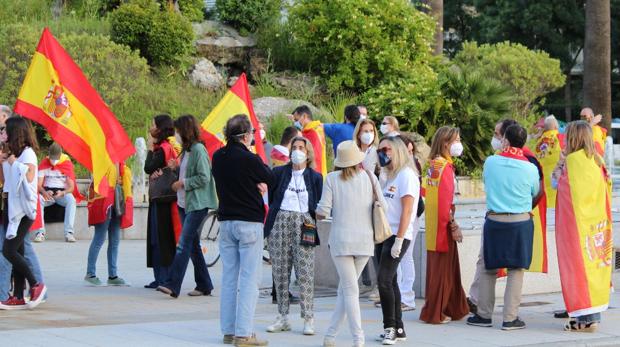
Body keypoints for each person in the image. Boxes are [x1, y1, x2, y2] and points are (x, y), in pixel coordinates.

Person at [467, 124, 539, 331]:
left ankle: (483, 315)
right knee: (516, 270)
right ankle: (510, 318)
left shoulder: (491, 162)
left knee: (489, 269)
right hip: (520, 221)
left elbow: (486, 182)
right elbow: (535, 191)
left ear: (505, 140)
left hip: (495, 221)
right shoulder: (529, 167)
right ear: (523, 143)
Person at [212, 114, 275, 347]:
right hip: (249, 221)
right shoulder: (250, 158)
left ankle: (228, 330)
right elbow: (269, 178)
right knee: (250, 279)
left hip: (226, 221)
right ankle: (244, 333)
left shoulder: (218, 156)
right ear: (246, 135)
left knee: (229, 277)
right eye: (252, 134)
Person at [317, 140, 386, 347]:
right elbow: (384, 206)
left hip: (341, 242)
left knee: (349, 290)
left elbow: (323, 211)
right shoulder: (370, 177)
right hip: (365, 241)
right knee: (346, 290)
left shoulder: (331, 179)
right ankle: (330, 336)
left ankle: (358, 338)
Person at [552, 120, 612, 332]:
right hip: (596, 224)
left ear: (572, 139)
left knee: (577, 267)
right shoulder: (596, 160)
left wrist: (559, 169)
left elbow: (562, 186)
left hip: (576, 226)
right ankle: (592, 317)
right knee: (594, 266)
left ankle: (586, 320)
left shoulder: (573, 161)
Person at [264, 136, 323, 335]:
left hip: (305, 223)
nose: (297, 151)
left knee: (305, 271)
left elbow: (317, 202)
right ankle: (282, 316)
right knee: (280, 272)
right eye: (294, 147)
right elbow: (272, 199)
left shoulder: (315, 177)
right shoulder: (279, 172)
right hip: (280, 222)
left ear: (308, 153)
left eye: (301, 148)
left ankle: (308, 317)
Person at [157, 115, 216, 298]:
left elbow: (204, 177)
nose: (175, 135)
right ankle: (204, 284)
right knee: (192, 246)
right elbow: (187, 172)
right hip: (185, 203)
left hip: (198, 203)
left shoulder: (198, 150)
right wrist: (175, 168)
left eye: (177, 131)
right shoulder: (187, 150)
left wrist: (183, 183)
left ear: (185, 131)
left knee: (183, 244)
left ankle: (173, 284)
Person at [419, 126, 470, 325]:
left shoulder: (434, 165)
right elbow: (446, 201)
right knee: (444, 271)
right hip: (442, 226)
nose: (459, 144)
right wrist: (453, 225)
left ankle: (449, 307)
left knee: (442, 269)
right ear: (446, 143)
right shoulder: (444, 167)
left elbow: (427, 194)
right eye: (456, 140)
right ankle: (437, 312)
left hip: (434, 224)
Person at [373, 136, 418, 344]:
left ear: (397, 151)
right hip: (383, 234)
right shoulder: (388, 175)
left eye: (387, 149)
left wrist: (399, 240)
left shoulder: (406, 175)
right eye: (380, 149)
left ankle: (389, 326)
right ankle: (399, 328)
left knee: (383, 281)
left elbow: (407, 210)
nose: (383, 153)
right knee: (390, 281)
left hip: (397, 235)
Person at [0, 116, 46, 309]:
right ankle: (18, 295)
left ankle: (36, 284)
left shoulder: (27, 154)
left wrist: (10, 159)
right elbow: (5, 180)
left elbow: (28, 176)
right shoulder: (12, 153)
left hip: (24, 210)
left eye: (4, 131)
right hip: (11, 207)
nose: (1, 133)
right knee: (17, 249)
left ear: (14, 133)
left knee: (9, 250)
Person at [143, 114, 182, 289]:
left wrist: (150, 148)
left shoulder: (161, 149)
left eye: (153, 125)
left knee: (161, 239)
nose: (151, 127)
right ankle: (162, 277)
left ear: (160, 129)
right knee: (162, 238)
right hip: (166, 197)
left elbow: (148, 168)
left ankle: (163, 278)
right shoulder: (170, 146)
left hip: (162, 199)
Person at [85, 161, 133, 287]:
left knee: (115, 240)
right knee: (99, 238)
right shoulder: (102, 155)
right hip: (104, 201)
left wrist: (120, 179)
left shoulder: (120, 160)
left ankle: (113, 275)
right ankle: (90, 273)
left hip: (116, 200)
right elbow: (99, 178)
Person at [352, 118, 380, 299]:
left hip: (371, 203)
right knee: (356, 245)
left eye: (371, 130)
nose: (368, 134)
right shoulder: (352, 150)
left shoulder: (377, 153)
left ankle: (378, 284)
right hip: (353, 203)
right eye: (365, 130)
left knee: (375, 245)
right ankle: (362, 282)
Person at [32, 142, 83, 243]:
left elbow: (71, 187)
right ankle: (40, 233)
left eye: (56, 159)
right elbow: (38, 185)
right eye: (52, 158)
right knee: (37, 199)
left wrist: (63, 192)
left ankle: (69, 233)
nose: (54, 161)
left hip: (61, 193)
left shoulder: (66, 164)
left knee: (71, 201)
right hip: (48, 193)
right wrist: (45, 192)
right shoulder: (44, 164)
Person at [533, 115, 565, 209]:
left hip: (543, 183)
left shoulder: (538, 142)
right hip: (556, 180)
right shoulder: (560, 138)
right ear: (556, 127)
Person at [293, 106, 327, 177]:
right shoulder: (317, 129)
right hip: (320, 172)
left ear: (304, 116)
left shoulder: (312, 132)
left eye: (296, 120)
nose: (295, 123)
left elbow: (312, 155)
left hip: (314, 174)